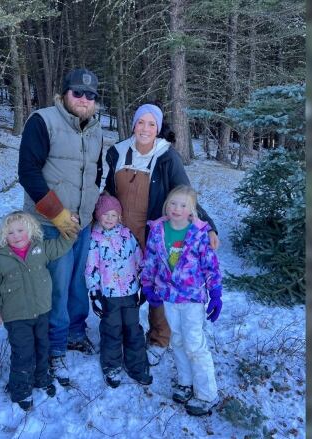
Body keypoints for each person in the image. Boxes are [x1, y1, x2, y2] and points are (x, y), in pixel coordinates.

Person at [103, 103, 219, 366]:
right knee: (123, 284)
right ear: (133, 124)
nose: (145, 128)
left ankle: (159, 337)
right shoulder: (117, 152)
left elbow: (184, 193)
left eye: (151, 124)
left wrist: (208, 225)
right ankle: (126, 332)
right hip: (121, 234)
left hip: (154, 234)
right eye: (140, 122)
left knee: (158, 283)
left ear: (158, 128)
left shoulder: (167, 156)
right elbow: (108, 192)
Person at [17, 68, 104, 386]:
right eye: (78, 93)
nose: (84, 99)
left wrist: (91, 211)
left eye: (90, 95)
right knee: (56, 284)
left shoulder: (96, 129)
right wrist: (58, 215)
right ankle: (54, 348)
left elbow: (96, 172)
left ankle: (76, 333)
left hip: (82, 223)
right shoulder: (43, 121)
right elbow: (28, 171)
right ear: (65, 93)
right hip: (51, 224)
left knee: (78, 282)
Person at [140, 186, 223, 416]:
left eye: (183, 205)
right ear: (167, 205)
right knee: (176, 340)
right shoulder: (158, 230)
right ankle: (185, 382)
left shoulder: (198, 233)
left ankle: (207, 394)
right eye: (173, 203)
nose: (177, 209)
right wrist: (148, 284)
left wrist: (215, 292)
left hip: (192, 298)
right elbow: (151, 261)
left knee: (194, 343)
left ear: (192, 210)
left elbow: (210, 265)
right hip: (168, 297)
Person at [0, 211, 76, 410]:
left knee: (42, 346)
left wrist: (71, 229)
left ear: (30, 230)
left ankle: (42, 378)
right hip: (16, 316)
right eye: (10, 233)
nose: (16, 236)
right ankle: (20, 389)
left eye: (20, 230)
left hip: (41, 311)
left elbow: (61, 245)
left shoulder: (40, 249)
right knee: (23, 352)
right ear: (3, 237)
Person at [85, 194, 152, 388]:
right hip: (109, 295)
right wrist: (94, 293)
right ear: (98, 216)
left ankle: (137, 365)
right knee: (112, 329)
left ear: (119, 217)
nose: (109, 218)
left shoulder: (127, 235)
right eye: (105, 214)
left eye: (113, 215)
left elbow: (139, 259)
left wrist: (145, 284)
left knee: (133, 329)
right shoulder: (95, 239)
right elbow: (91, 267)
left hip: (130, 292)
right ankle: (111, 365)